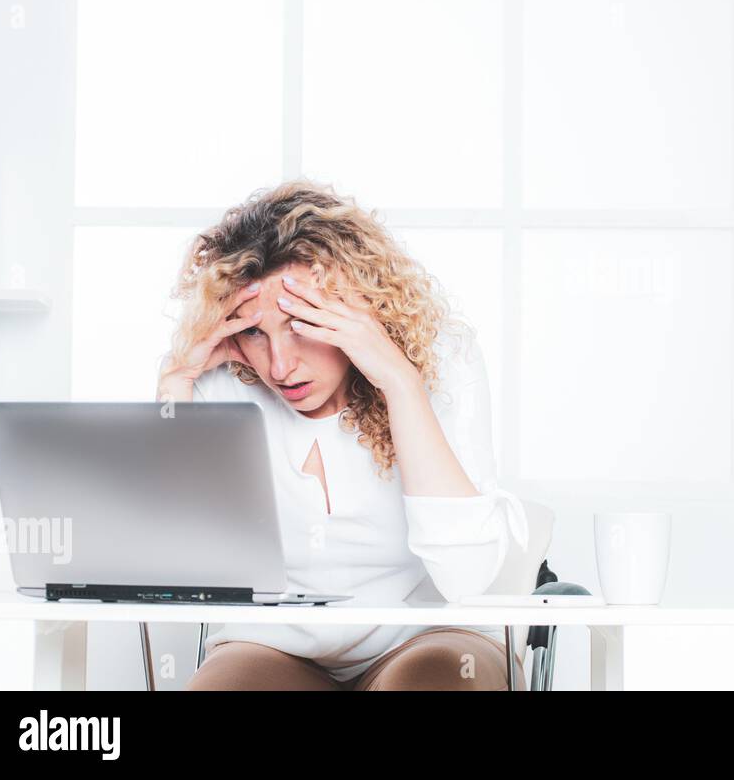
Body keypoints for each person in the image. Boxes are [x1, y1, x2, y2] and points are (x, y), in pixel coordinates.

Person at [156, 182, 527, 690]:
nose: (280, 366)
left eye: (302, 322)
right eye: (255, 332)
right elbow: (175, 558)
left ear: (357, 308)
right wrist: (175, 384)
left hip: (428, 634)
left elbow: (464, 577)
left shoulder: (440, 358)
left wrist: (400, 383)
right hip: (277, 642)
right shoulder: (224, 378)